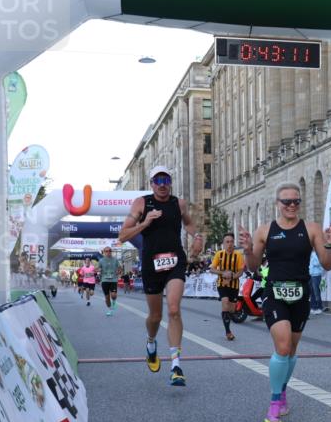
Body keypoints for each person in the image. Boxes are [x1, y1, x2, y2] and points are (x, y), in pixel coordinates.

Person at [239, 183, 331, 422]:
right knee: (282, 347)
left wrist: (330, 244)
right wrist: (249, 250)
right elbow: (252, 266)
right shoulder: (265, 231)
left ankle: (282, 391)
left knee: (291, 351)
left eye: (296, 201)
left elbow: (326, 264)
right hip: (275, 293)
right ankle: (273, 404)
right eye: (287, 202)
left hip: (300, 294)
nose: (292, 205)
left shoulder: (311, 229)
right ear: (277, 204)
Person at [118, 165, 204, 387]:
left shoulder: (179, 203)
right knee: (155, 316)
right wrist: (145, 222)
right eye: (158, 180)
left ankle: (176, 365)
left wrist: (197, 236)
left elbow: (188, 223)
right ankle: (151, 341)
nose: (163, 184)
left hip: (175, 260)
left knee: (174, 309)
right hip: (151, 264)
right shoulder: (141, 203)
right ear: (151, 183)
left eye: (166, 180)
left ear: (170, 182)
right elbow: (123, 234)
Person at [210, 232, 245, 341]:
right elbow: (212, 269)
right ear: (223, 244)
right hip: (222, 284)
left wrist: (232, 276)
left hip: (234, 285)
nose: (229, 244)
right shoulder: (219, 254)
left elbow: (240, 272)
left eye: (231, 242)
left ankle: (230, 315)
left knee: (231, 309)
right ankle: (228, 332)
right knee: (225, 302)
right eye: (227, 242)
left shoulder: (238, 255)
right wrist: (223, 273)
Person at [97, 247, 121, 316]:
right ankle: (110, 309)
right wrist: (99, 270)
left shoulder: (115, 260)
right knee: (107, 298)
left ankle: (114, 301)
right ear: (104, 252)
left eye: (110, 251)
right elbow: (98, 268)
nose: (108, 252)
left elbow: (119, 268)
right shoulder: (101, 260)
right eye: (106, 251)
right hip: (104, 280)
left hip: (113, 279)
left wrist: (118, 271)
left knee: (113, 295)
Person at [308, 250, 324, 315]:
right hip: (311, 274)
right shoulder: (311, 254)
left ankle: (319, 307)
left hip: (316, 274)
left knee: (316, 292)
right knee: (312, 292)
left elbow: (318, 263)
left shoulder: (317, 254)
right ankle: (313, 307)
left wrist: (313, 258)